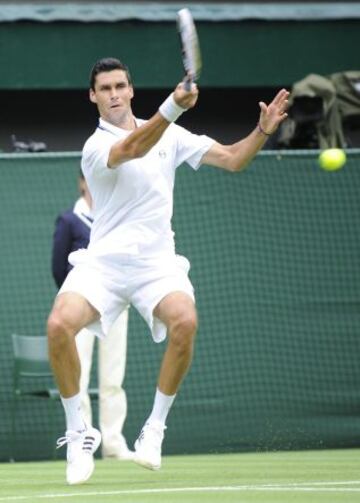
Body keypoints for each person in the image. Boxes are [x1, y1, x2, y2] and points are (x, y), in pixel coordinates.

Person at [47, 57, 289, 485]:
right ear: (93, 96)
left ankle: (155, 427)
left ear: (132, 90)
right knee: (58, 326)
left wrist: (264, 129)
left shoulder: (172, 136)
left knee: (185, 321)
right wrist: (174, 106)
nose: (114, 94)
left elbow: (234, 159)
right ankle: (78, 430)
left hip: (156, 263)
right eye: (105, 88)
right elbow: (133, 148)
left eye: (120, 85)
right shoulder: (95, 147)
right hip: (102, 264)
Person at [51, 172, 133, 461]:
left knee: (113, 377)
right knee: (80, 374)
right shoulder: (69, 220)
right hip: (80, 307)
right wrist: (75, 301)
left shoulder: (117, 219)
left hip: (116, 307)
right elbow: (59, 269)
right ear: (83, 183)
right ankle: (82, 440)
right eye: (90, 180)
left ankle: (113, 442)